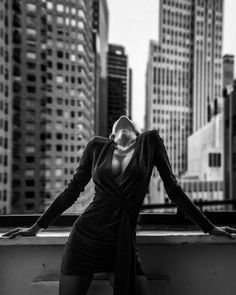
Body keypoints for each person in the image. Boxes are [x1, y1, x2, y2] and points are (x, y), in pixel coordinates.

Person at [2, 115, 236, 295]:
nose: (124, 117)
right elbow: (72, 191)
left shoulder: (150, 142)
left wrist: (209, 227)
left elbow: (173, 190)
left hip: (121, 241)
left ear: (138, 132)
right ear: (111, 137)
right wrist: (36, 227)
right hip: (85, 238)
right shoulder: (96, 146)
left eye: (132, 126)